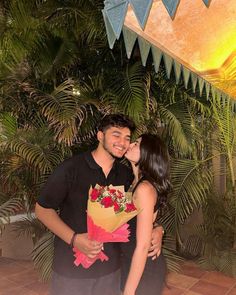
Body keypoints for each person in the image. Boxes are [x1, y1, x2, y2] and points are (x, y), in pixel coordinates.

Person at [35, 114, 164, 295]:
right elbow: (42, 209)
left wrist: (158, 228)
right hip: (70, 270)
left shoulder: (127, 176)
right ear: (100, 136)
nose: (123, 142)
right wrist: (74, 239)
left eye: (128, 138)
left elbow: (138, 215)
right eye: (116, 135)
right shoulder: (71, 168)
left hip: (112, 271)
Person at [121, 133, 171, 295]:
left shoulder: (144, 189)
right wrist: (158, 228)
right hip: (131, 260)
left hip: (144, 266)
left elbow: (142, 246)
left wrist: (129, 291)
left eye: (136, 144)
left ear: (148, 153)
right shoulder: (133, 182)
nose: (130, 144)